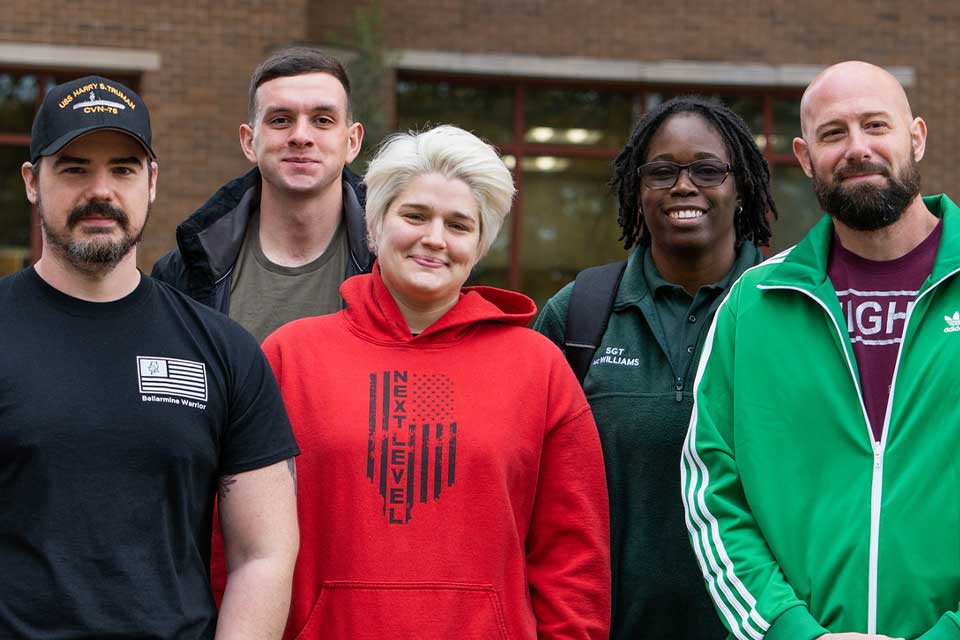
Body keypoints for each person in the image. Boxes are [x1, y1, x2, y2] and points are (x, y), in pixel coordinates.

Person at [244, 125, 611, 639]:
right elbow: (237, 546)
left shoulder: (538, 369)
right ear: (375, 227)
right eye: (415, 216)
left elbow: (574, 560)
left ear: (480, 245)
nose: (434, 239)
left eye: (459, 225)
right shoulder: (290, 357)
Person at [5, 75, 299, 638]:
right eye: (74, 169)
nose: (101, 190)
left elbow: (264, 553)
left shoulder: (224, 350)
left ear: (152, 181)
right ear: (32, 182)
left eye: (123, 169)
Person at [682, 60, 960, 640]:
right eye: (834, 133)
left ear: (916, 138)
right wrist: (788, 630)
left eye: (876, 126)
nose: (858, 148)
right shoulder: (753, 305)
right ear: (807, 158)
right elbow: (711, 489)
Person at [535, 96, 776, 638]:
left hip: (758, 626)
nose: (683, 186)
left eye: (707, 170)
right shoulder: (579, 314)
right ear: (637, 190)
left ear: (740, 189)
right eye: (662, 171)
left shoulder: (784, 309)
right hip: (607, 625)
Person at [152, 47, 372, 343]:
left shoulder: (390, 258)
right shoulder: (182, 273)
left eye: (322, 120)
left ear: (353, 141)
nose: (301, 137)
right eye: (281, 120)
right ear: (249, 142)